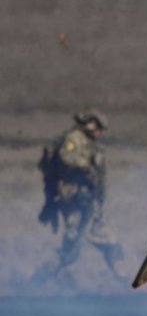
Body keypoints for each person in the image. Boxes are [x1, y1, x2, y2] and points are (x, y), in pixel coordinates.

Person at [36, 109, 125, 283]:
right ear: (91, 125)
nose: (100, 133)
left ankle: (124, 277)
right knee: (72, 247)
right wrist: (86, 165)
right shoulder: (74, 138)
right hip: (74, 199)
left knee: (107, 241)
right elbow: (67, 158)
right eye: (99, 128)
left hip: (88, 200)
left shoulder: (89, 142)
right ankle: (38, 281)